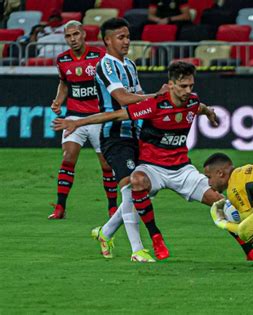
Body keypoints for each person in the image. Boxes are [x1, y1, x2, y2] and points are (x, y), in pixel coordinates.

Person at [53, 61, 253, 263]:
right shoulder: (154, 105)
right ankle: (156, 238)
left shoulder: (193, 101)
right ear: (170, 85)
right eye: (183, 86)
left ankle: (251, 252)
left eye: (191, 86)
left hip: (182, 169)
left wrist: (209, 114)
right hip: (152, 168)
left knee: (220, 203)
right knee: (136, 181)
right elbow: (115, 115)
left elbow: (200, 106)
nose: (188, 91)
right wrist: (79, 123)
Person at [93, 17, 162, 262]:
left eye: (127, 36)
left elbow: (140, 97)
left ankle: (106, 231)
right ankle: (137, 250)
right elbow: (123, 98)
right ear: (107, 40)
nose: (126, 41)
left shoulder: (130, 65)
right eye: (120, 37)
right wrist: (158, 96)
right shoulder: (105, 65)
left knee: (146, 189)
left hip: (136, 134)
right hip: (114, 135)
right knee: (130, 189)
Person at [47, 20, 118, 220]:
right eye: (68, 36)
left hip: (98, 117)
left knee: (106, 165)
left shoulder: (100, 56)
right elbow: (64, 84)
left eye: (76, 34)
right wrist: (58, 101)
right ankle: (60, 207)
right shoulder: (62, 60)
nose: (73, 39)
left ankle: (112, 207)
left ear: (84, 34)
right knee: (68, 158)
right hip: (73, 117)